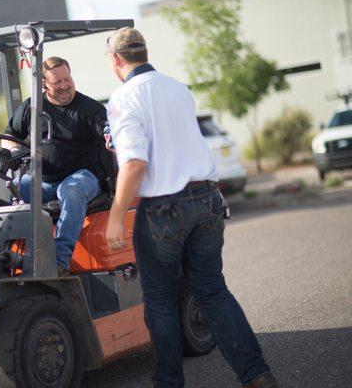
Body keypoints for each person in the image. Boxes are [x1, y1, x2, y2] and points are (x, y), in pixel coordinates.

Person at [103, 27, 278, 388]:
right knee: (213, 291)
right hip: (206, 199)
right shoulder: (178, 88)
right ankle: (257, 375)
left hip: (163, 210)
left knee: (162, 304)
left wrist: (116, 216)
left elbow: (135, 164)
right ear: (145, 52)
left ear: (115, 59)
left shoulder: (122, 100)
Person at [2, 56, 110, 277]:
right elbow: (9, 135)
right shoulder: (32, 108)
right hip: (44, 180)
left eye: (67, 79)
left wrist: (112, 134)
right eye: (57, 81)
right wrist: (13, 151)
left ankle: (59, 261)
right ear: (44, 84)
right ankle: (10, 257)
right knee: (11, 188)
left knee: (70, 190)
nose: (64, 85)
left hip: (83, 176)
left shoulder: (89, 108)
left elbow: (106, 128)